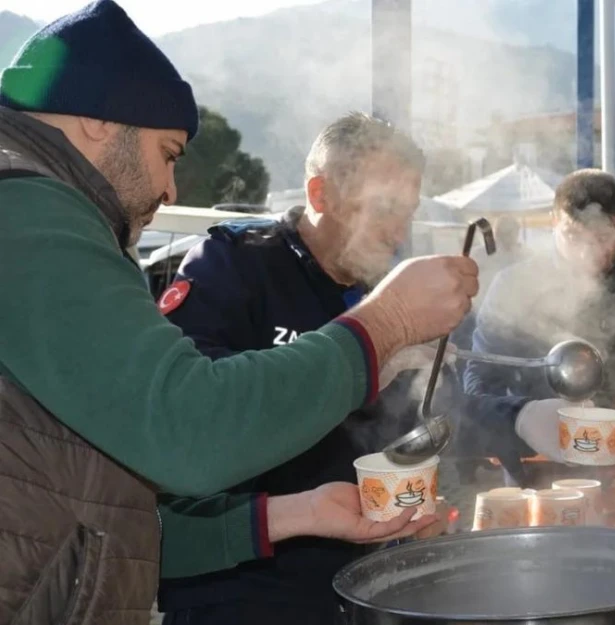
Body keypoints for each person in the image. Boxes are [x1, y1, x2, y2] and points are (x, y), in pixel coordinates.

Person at [0, 2, 474, 622]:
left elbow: (111, 510)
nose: (171, 190)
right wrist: (381, 330)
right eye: (169, 153)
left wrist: (296, 513)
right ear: (97, 120)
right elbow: (189, 428)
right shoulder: (30, 211)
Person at [156, 113, 571, 624]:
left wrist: (518, 419)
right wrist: (364, 350)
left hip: (369, 582)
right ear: (321, 193)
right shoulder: (233, 264)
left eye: (408, 212)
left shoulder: (387, 286)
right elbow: (193, 413)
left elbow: (433, 413)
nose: (399, 232)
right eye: (385, 208)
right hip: (243, 588)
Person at [465, 169, 615, 484]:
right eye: (573, 236)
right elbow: (480, 378)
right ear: (555, 220)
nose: (587, 252)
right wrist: (517, 421)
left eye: (601, 238)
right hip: (535, 469)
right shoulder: (514, 285)